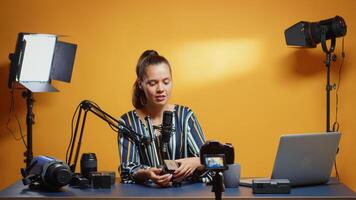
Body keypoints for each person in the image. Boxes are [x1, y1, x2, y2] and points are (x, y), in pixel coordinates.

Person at [118, 50, 211, 187]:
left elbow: (209, 163)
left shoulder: (185, 116)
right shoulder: (127, 122)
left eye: (166, 82)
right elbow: (127, 169)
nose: (160, 89)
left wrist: (196, 162)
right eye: (152, 83)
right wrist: (148, 173)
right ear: (140, 84)